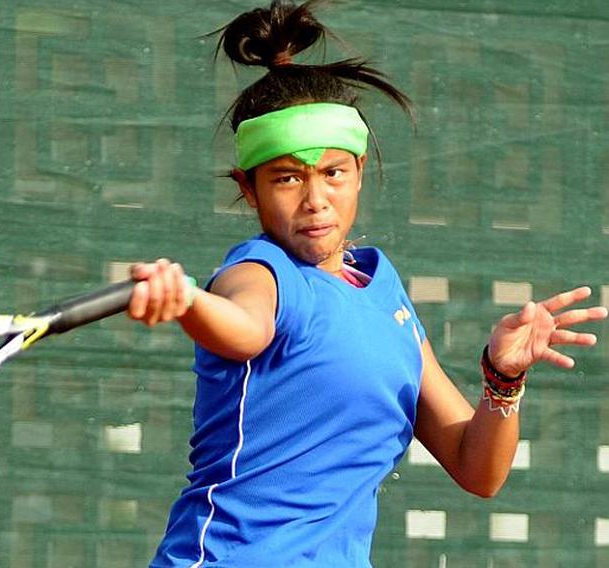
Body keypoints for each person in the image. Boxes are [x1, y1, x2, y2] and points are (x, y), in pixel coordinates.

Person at [126, 1, 609, 566]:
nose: (315, 200)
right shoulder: (257, 272)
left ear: (359, 172)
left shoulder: (382, 291)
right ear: (249, 188)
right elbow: (245, 328)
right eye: (287, 178)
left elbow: (477, 469)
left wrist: (502, 378)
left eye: (334, 173)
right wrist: (187, 301)